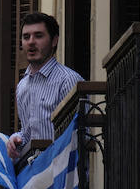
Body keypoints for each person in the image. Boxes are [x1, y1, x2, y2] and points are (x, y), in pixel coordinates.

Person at [6, 11, 83, 160]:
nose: (31, 42)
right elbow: (27, 133)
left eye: (39, 36)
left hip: (62, 174)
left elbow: (79, 132)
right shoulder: (22, 86)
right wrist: (16, 139)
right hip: (33, 174)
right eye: (26, 37)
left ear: (54, 41)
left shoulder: (68, 80)